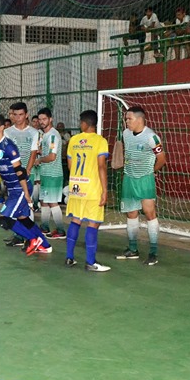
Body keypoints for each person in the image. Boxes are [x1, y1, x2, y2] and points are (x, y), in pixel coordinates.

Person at [0, 114, 52, 256]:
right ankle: (45, 245)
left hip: (20, 188)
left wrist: (26, 193)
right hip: (12, 189)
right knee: (23, 219)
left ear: (2, 127)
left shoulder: (9, 147)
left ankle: (33, 239)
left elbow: (20, 172)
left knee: (4, 219)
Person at [114, 106, 166, 265]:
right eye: (126, 118)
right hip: (128, 178)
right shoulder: (125, 134)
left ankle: (153, 252)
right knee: (131, 214)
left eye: (129, 118)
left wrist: (150, 173)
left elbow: (162, 159)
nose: (126, 121)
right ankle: (133, 249)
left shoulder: (152, 137)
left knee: (150, 214)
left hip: (145, 180)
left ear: (139, 119)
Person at [63, 110, 111, 271]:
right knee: (93, 223)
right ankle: (90, 262)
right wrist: (105, 190)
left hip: (76, 186)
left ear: (85, 123)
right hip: (92, 188)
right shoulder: (100, 141)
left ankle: (69, 257)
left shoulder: (74, 140)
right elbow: (101, 166)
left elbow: (70, 166)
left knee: (75, 220)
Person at [2, 102, 40, 247]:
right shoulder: (7, 132)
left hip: (25, 175)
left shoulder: (34, 132)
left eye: (21, 115)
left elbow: (33, 152)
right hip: (12, 177)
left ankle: (30, 238)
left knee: (26, 206)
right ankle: (20, 236)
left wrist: (28, 170)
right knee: (16, 206)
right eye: (15, 115)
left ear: (26, 115)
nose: (18, 118)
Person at [34, 108, 66, 239]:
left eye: (44, 119)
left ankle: (60, 230)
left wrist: (39, 159)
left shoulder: (53, 135)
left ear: (50, 119)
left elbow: (52, 156)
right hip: (46, 173)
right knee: (43, 201)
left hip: (53, 174)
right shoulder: (44, 135)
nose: (42, 122)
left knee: (52, 202)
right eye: (40, 119)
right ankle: (45, 227)